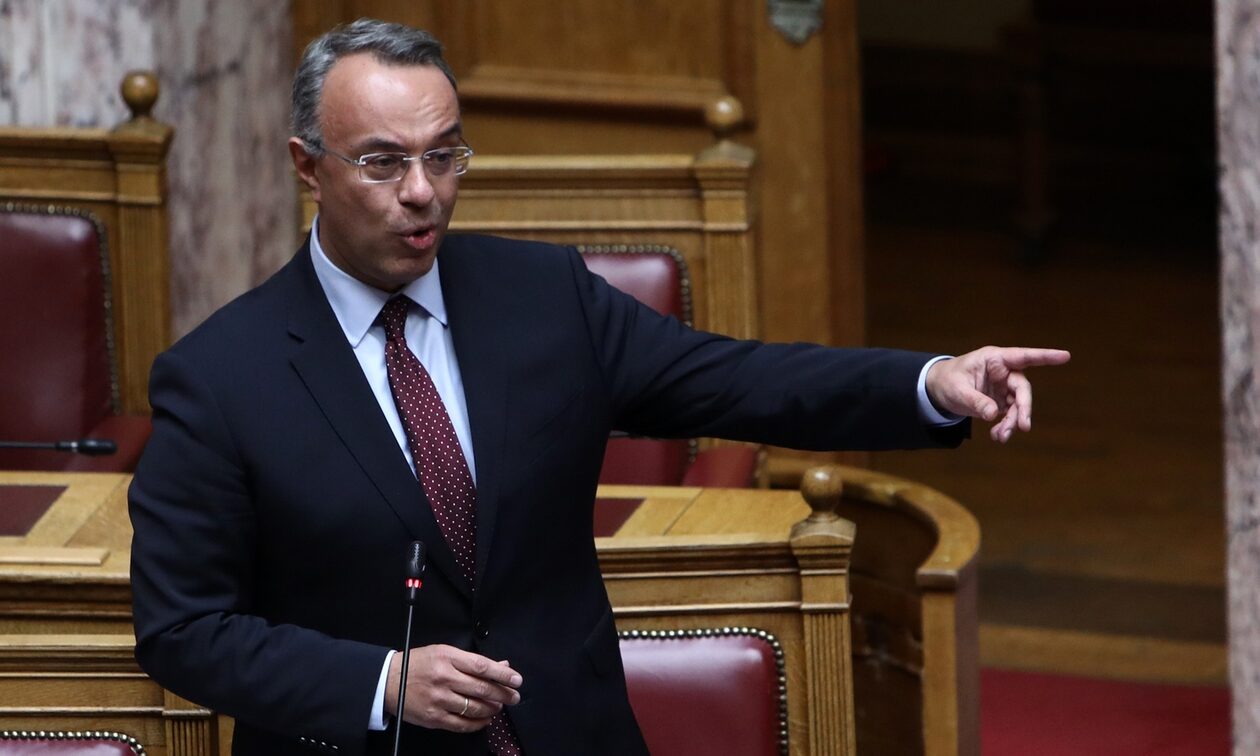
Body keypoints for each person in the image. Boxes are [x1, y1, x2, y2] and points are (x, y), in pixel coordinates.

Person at [128, 18, 1070, 756]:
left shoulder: (544, 299)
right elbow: (183, 629)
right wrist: (381, 683)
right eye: (383, 162)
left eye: (444, 155)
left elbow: (737, 379)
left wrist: (932, 381)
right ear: (308, 165)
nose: (422, 192)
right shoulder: (222, 378)